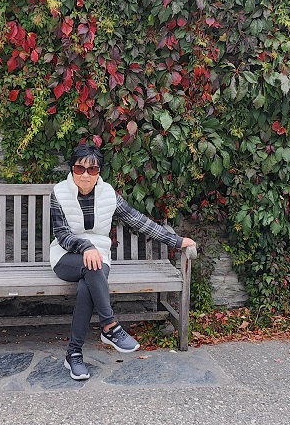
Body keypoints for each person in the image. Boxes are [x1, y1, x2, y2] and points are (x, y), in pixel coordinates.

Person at [49, 144, 197, 380]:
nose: (85, 175)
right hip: (66, 257)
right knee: (91, 265)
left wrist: (176, 241)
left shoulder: (108, 194)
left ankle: (74, 354)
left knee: (88, 282)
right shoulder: (58, 193)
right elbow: (62, 235)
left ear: (99, 172)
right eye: (79, 169)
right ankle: (110, 326)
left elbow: (138, 221)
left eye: (92, 170)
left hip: (99, 258)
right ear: (72, 169)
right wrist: (86, 247)